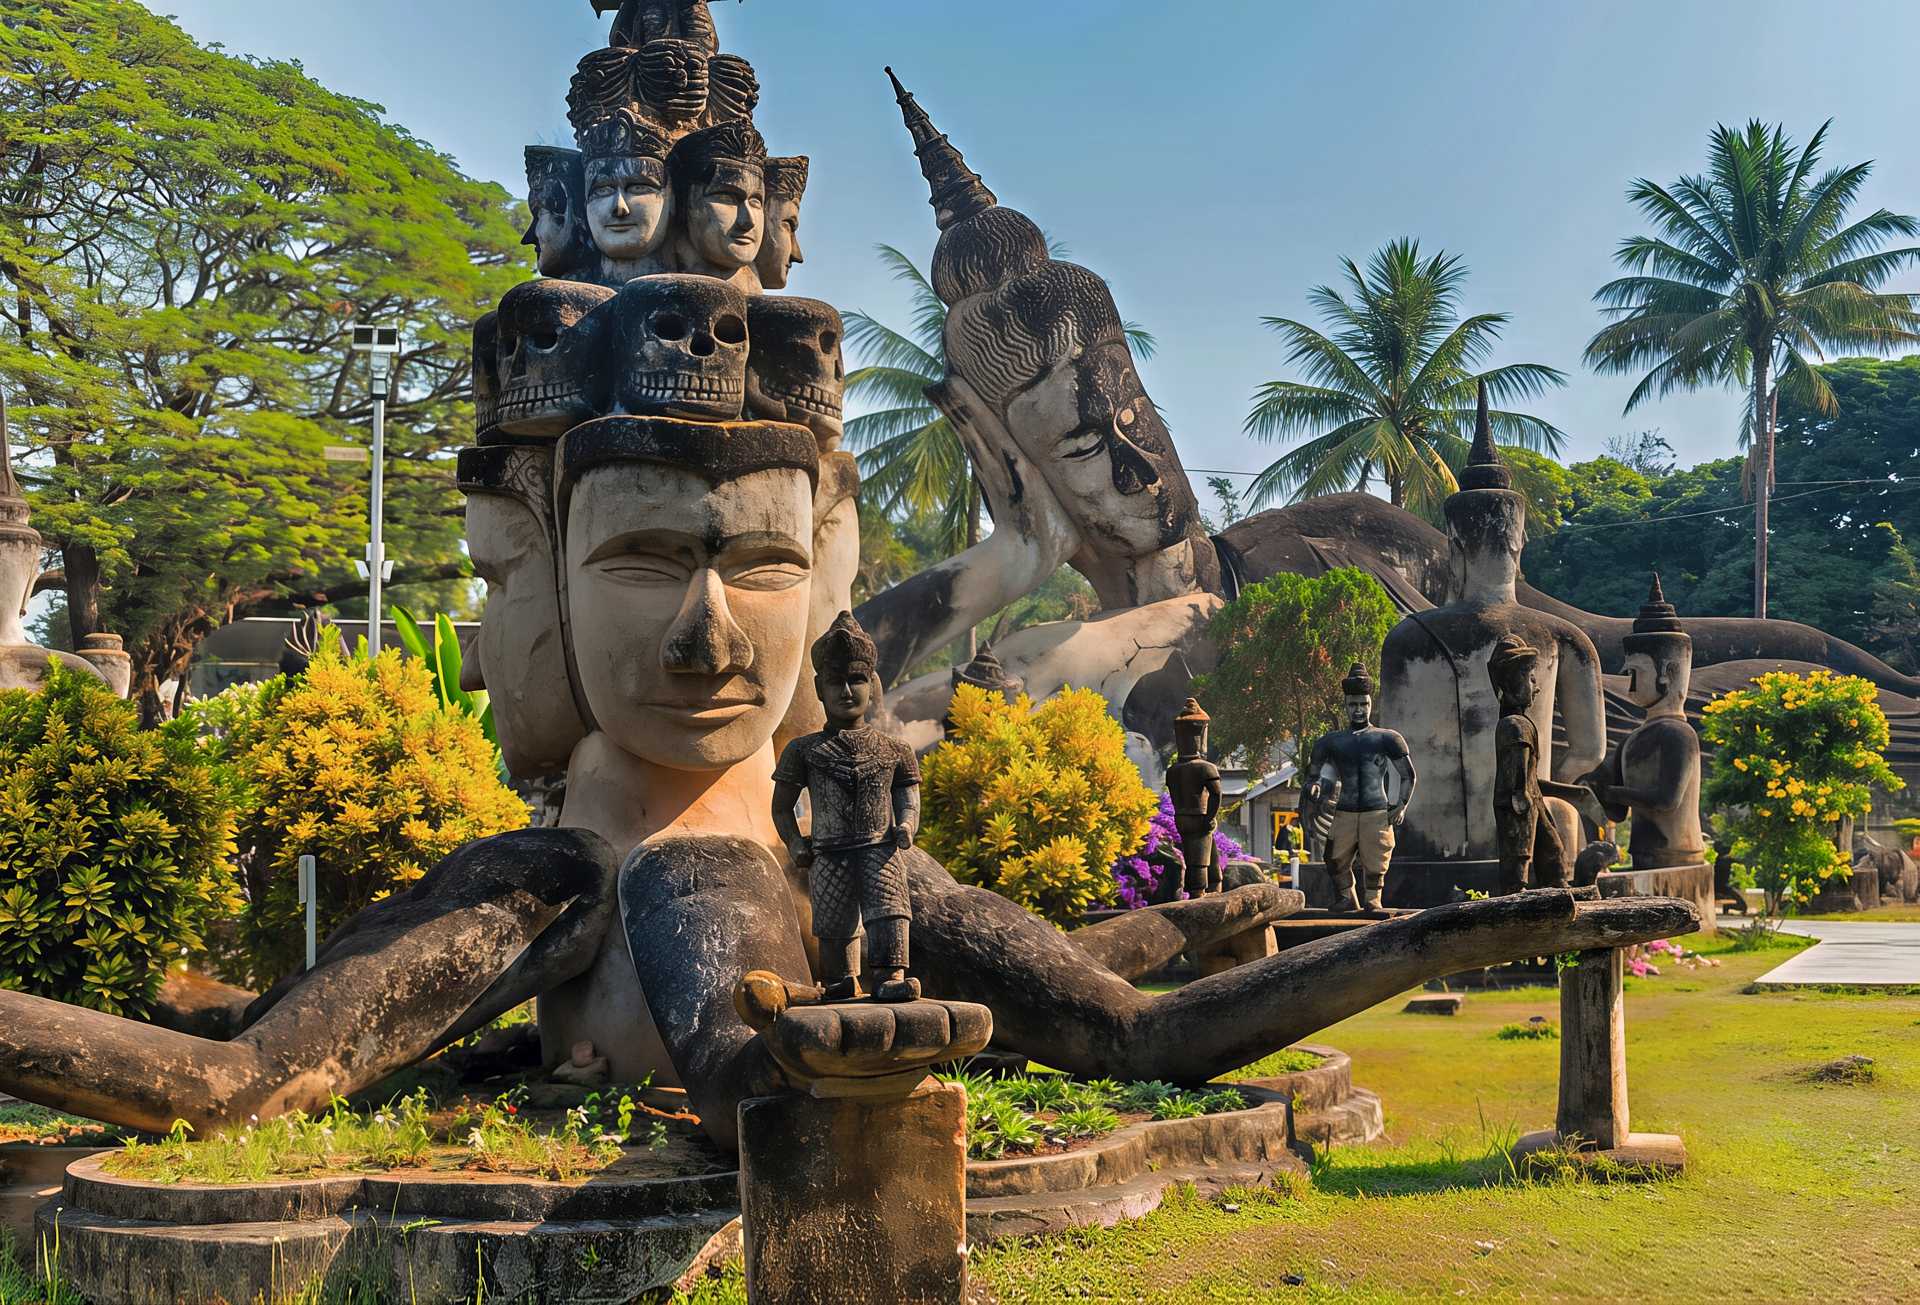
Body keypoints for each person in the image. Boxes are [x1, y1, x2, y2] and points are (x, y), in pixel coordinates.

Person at [772, 613, 923, 1002]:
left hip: (880, 848)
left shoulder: (895, 750)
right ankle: (840, 980)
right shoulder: (803, 750)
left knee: (889, 912)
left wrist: (906, 824)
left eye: (856, 680)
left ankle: (891, 975)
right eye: (835, 682)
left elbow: (907, 795)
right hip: (829, 853)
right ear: (819, 688)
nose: (846, 691)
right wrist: (795, 844)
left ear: (872, 685)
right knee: (834, 921)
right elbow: (781, 808)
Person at [1305, 665, 1415, 911]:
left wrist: (1401, 805)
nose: (1358, 710)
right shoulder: (1331, 742)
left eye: (1363, 704)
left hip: (1376, 811)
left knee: (1377, 860)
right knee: (1334, 859)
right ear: (1345, 705)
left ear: (1370, 704)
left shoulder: (1387, 738)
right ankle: (1346, 897)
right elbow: (1314, 776)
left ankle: (1373, 899)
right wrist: (1314, 789)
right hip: (1344, 811)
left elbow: (1408, 775)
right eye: (1353, 705)